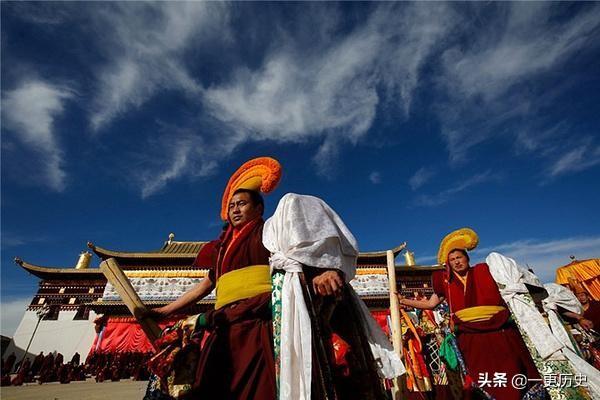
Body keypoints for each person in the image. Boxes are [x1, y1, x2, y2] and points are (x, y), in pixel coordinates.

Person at [151, 159, 347, 400]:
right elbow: (206, 285)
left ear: (258, 209)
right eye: (232, 205)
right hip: (221, 326)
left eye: (242, 204)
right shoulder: (221, 247)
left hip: (259, 322)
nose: (234, 209)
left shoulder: (270, 233)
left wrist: (325, 271)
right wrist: (165, 310)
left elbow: (298, 258)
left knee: (258, 390)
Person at [397, 228, 540, 400]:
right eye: (452, 260)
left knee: (511, 370)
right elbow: (430, 304)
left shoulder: (486, 271)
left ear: (467, 258)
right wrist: (403, 301)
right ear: (448, 264)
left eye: (459, 257)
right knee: (482, 376)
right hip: (470, 336)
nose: (456, 262)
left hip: (499, 331)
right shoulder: (445, 282)